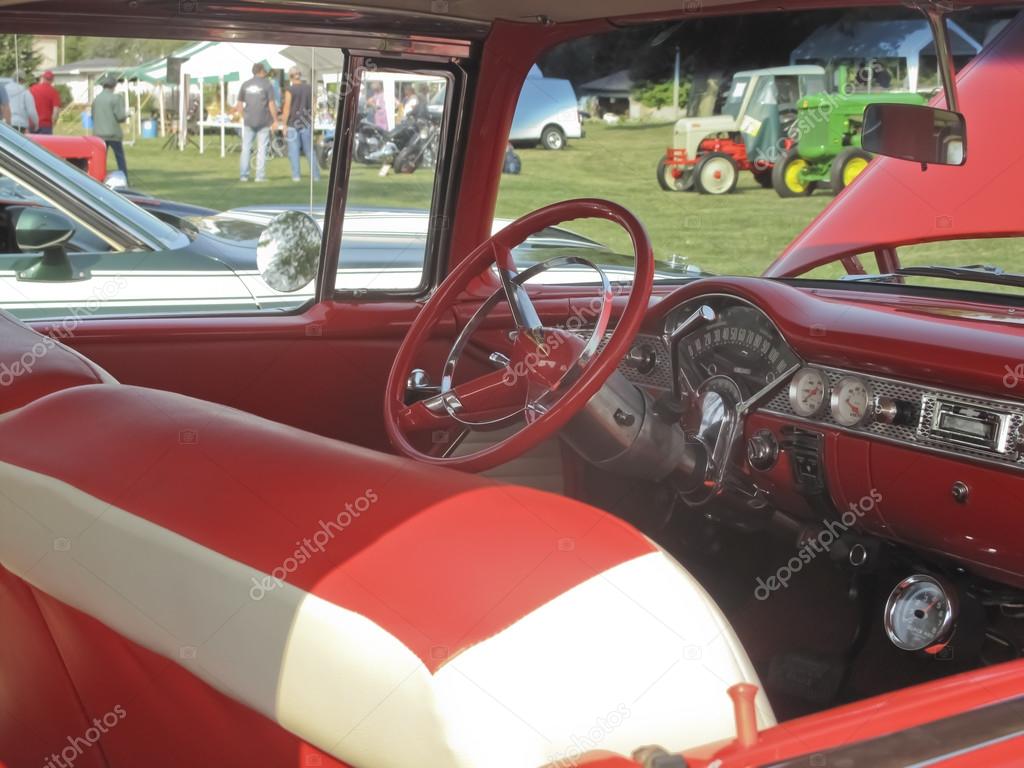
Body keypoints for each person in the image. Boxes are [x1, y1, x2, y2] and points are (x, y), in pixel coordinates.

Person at [233, 63, 278, 183]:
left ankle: (243, 175)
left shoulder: (245, 84)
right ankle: (260, 176)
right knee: (262, 149)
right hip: (263, 120)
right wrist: (275, 120)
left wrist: (244, 116)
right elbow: (271, 104)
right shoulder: (267, 85)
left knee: (246, 148)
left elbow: (239, 104)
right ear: (261, 71)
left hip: (248, 121)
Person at [281, 66, 320, 183]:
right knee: (309, 150)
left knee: (294, 151)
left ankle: (296, 176)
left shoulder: (290, 90)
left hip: (293, 123)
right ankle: (316, 175)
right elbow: (314, 104)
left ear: (290, 77)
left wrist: (284, 124)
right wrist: (311, 116)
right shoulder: (309, 88)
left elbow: (287, 108)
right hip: (306, 122)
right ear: (300, 75)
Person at [92, 76, 129, 179]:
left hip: (99, 134)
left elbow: (93, 115)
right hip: (113, 134)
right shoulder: (116, 98)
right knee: (119, 157)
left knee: (101, 158)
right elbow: (120, 116)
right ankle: (124, 177)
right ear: (114, 86)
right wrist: (127, 115)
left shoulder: (96, 99)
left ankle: (98, 177)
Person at [30, 70, 62, 134]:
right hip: (45, 125)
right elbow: (55, 111)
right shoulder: (54, 92)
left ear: (43, 78)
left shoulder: (32, 89)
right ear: (52, 80)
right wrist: (53, 123)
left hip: (32, 124)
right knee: (44, 144)